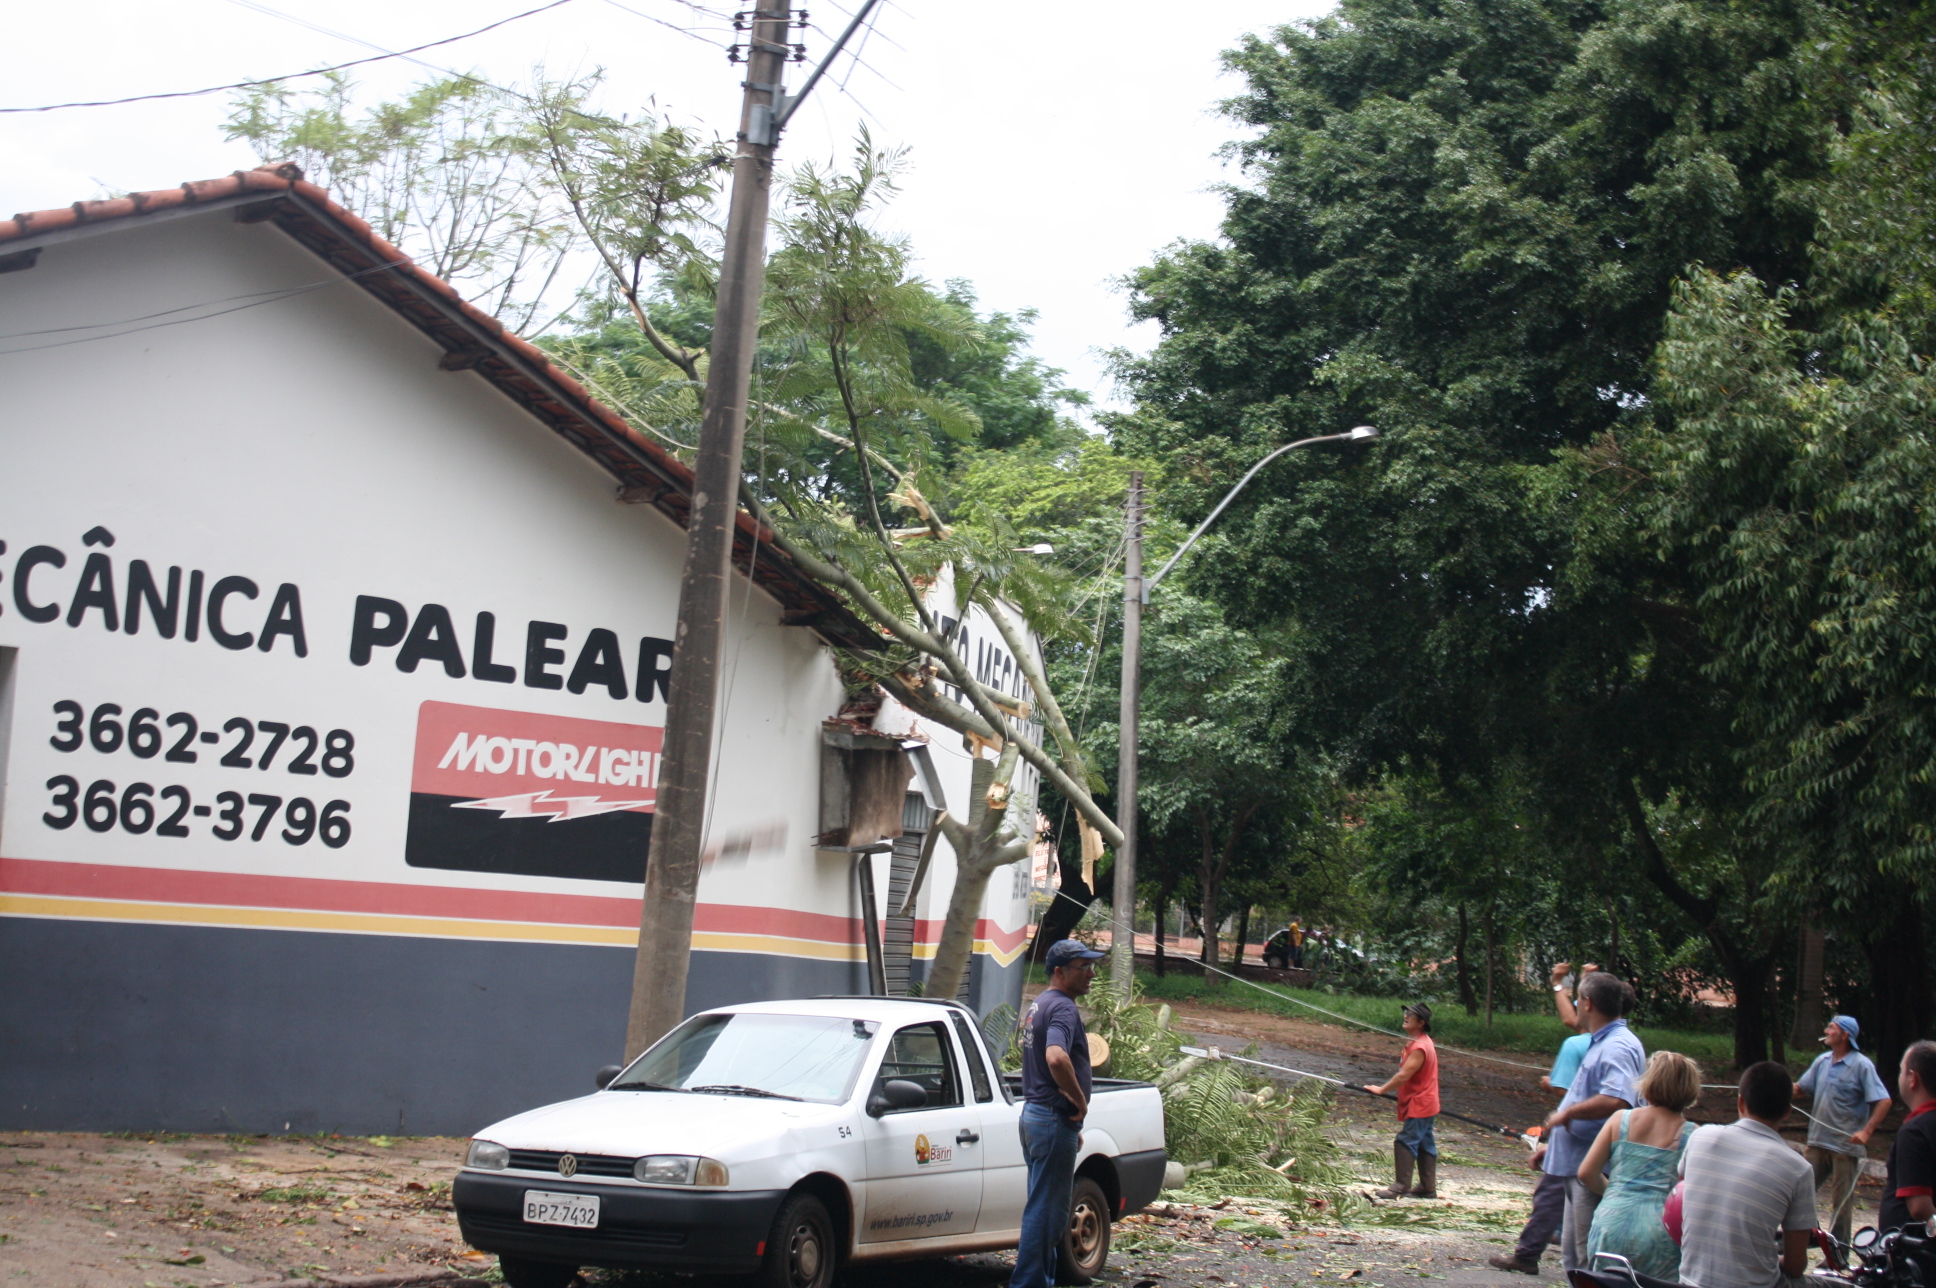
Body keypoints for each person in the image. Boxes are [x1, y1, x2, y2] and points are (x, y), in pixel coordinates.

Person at [1490, 960, 1603, 1274]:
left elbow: (1567, 1091)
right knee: (1576, 1193)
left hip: (1575, 1133)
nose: (1574, 1011)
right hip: (1603, 1135)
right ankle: (1554, 1241)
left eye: (1582, 999)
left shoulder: (1578, 1045)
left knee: (1553, 1191)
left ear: (1590, 1006)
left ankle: (1530, 1254)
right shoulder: (1622, 1043)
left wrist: (1551, 1085)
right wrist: (1562, 983)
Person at [1013, 938, 1105, 1288]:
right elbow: (1055, 1056)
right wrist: (1079, 1102)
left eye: (1091, 966)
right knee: (1048, 1216)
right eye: (1083, 967)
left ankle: (1042, 1281)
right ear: (1059, 972)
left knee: (1043, 1207)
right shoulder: (1064, 1008)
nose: (1091, 974)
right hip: (1050, 1119)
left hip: (1039, 1117)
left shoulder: (1040, 1004)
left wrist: (1069, 1121)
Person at [1542, 971, 1647, 1274]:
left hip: (1594, 1167)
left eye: (1576, 1000)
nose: (1574, 1006)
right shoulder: (1602, 1042)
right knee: (1575, 1258)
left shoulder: (1617, 1046)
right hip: (1578, 1160)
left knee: (1590, 1258)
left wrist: (1567, 1114)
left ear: (1587, 1003)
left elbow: (1618, 1099)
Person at [1677, 1061, 1816, 1288]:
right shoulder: (1798, 1169)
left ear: (1740, 1101)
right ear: (1788, 1111)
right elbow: (1795, 1265)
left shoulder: (1700, 1137)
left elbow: (1682, 1193)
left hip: (1690, 1281)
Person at [1578, 1051, 1703, 1279]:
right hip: (1659, 1230)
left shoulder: (1620, 1120)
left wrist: (1614, 1192)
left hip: (1611, 1222)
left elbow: (1586, 1173)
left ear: (1649, 1082)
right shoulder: (1691, 1135)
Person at [1792, 1015, 1892, 1247]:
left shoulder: (1861, 1065)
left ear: (1845, 1035)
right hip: (1817, 1142)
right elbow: (1799, 1089)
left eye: (1832, 1028)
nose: (1826, 1030)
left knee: (1841, 1203)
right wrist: (1773, 1085)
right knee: (1799, 1192)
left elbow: (1884, 1100)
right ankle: (1802, 1240)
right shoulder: (1822, 1061)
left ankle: (1837, 1255)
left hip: (1845, 1147)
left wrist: (1867, 1132)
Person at [1366, 1002, 1441, 1199]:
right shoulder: (1418, 1042)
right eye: (1406, 1013)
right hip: (1424, 1101)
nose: (1406, 1016)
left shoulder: (1420, 1047)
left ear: (1422, 1022)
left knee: (1406, 1140)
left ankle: (1400, 1186)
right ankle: (1427, 1187)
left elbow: (1403, 1076)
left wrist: (1381, 1089)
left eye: (1411, 1015)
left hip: (1421, 1102)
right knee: (1425, 1143)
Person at [1879, 1039, 1936, 1233]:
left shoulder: (1916, 1131)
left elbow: (1920, 1208)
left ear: (1913, 1078)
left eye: (1901, 1071)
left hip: (1916, 1253)